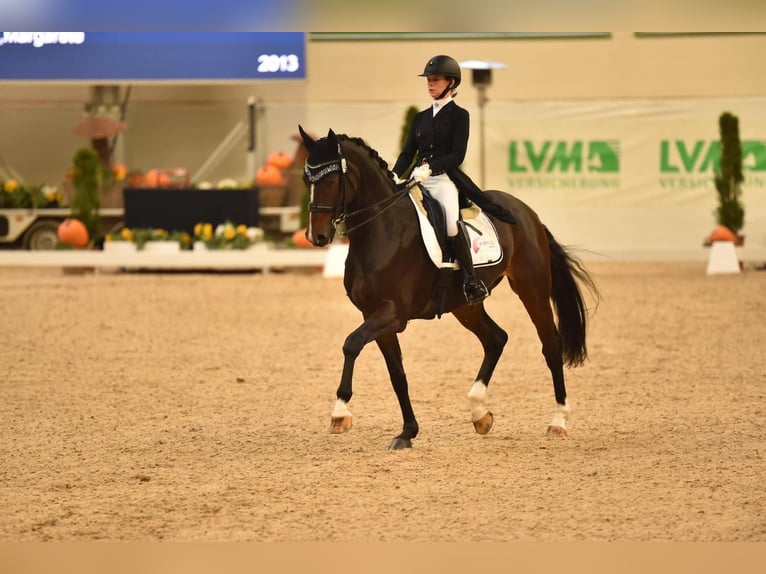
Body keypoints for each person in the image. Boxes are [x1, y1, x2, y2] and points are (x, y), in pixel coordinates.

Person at [392, 54, 489, 305]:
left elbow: (457, 155)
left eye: (435, 80)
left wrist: (431, 168)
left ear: (451, 83)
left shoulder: (460, 116)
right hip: (417, 179)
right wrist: (393, 174)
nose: (430, 84)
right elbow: (407, 153)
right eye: (428, 80)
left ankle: (470, 280)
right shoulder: (420, 118)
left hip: (444, 179)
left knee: (450, 225)